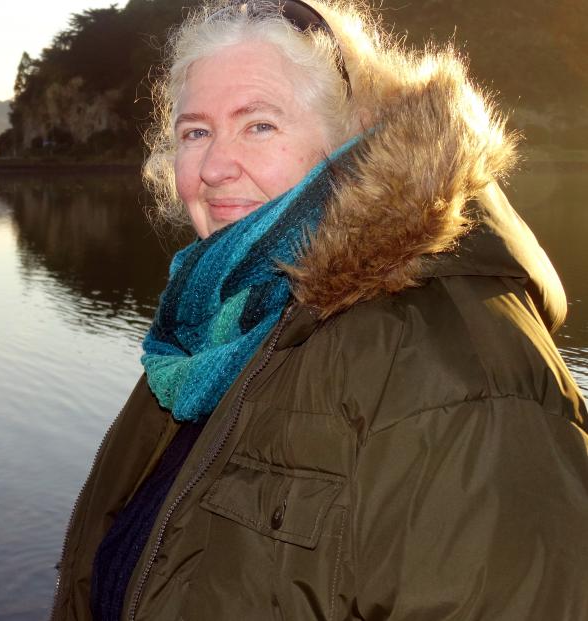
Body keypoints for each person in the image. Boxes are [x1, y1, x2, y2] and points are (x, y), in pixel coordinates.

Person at [51, 0, 588, 619]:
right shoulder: (207, 336)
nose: (216, 167)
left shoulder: (454, 364)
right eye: (195, 132)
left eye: (259, 125)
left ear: (349, 136)